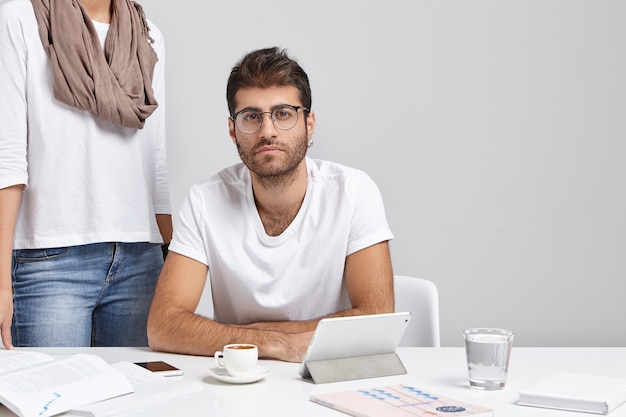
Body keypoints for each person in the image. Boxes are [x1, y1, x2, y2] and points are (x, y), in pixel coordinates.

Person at [147, 47, 394, 363]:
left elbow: (377, 319)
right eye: (251, 117)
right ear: (232, 131)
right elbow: (163, 327)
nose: (267, 131)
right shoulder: (205, 200)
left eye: (283, 113)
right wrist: (276, 344)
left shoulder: (353, 192)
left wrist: (245, 336)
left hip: (328, 370)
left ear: (309, 124)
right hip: (241, 379)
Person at [0, 0, 171, 348]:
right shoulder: (19, 18)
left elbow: (156, 160)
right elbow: (9, 157)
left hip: (140, 259)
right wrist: (1, 280)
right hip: (49, 261)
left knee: (136, 400)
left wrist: (172, 264)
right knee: (53, 399)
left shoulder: (148, 34)